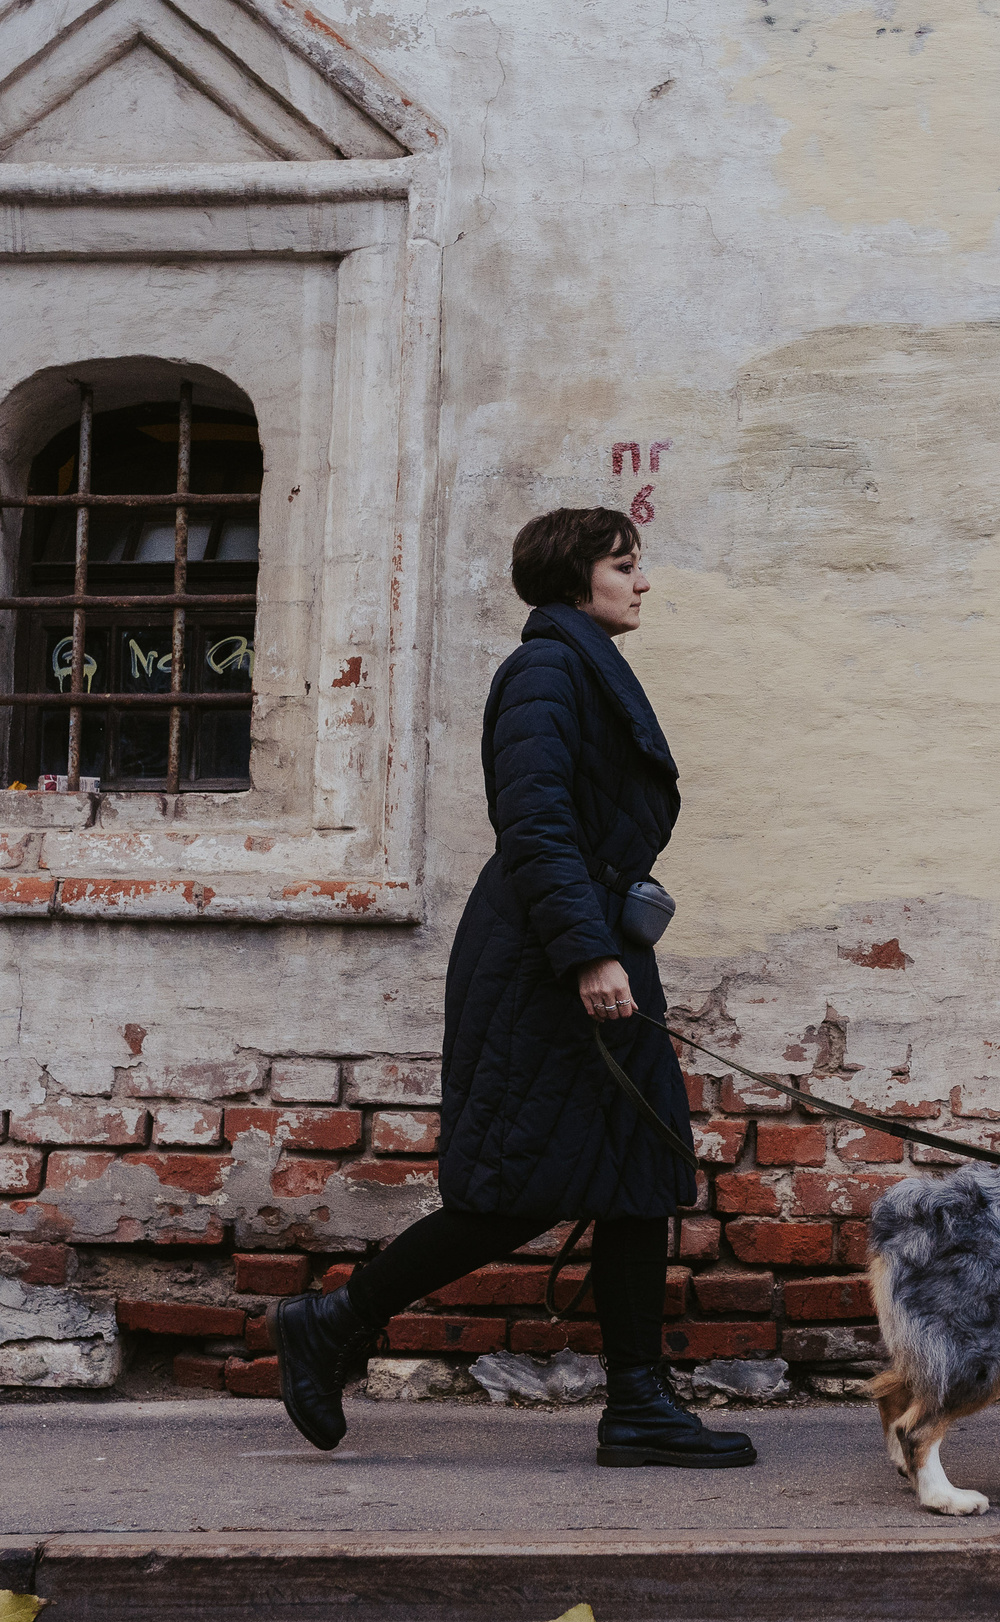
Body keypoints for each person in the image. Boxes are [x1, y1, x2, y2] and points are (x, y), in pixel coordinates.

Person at [268, 507, 754, 1469]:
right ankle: (332, 1321)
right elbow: (534, 823)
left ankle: (638, 1404)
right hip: (549, 956)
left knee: (637, 1175)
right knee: (517, 1186)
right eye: (626, 564)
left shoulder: (576, 665)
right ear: (581, 578)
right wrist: (587, 955)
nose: (642, 581)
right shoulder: (544, 671)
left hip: (588, 937)